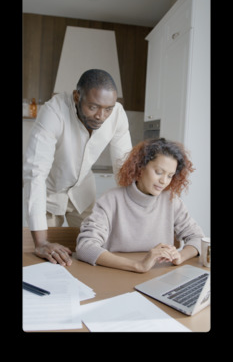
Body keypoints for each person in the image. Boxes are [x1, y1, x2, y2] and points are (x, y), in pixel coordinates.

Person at [23, 69, 132, 267]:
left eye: (108, 108)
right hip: (49, 192)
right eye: (93, 107)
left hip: (82, 190)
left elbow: (124, 167)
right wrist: (41, 243)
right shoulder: (53, 112)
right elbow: (35, 174)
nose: (101, 116)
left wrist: (130, 213)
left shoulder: (116, 115)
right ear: (77, 96)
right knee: (46, 258)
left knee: (94, 249)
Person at [76, 138, 205, 272]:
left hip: (157, 275)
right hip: (117, 273)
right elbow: (85, 247)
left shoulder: (172, 201)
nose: (163, 181)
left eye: (170, 176)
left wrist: (180, 256)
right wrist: (138, 265)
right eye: (159, 172)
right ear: (140, 167)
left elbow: (198, 239)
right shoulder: (111, 199)